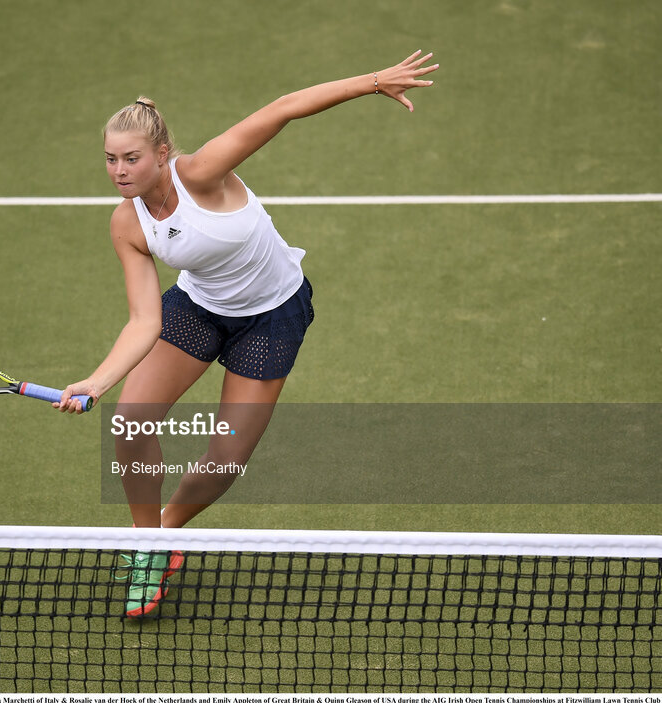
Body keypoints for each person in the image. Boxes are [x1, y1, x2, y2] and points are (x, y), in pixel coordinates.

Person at [56, 51, 439, 617]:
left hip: (272, 312)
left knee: (228, 456)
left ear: (162, 154)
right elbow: (144, 320)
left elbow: (283, 109)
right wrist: (98, 380)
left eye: (131, 158)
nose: (119, 171)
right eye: (110, 159)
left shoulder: (202, 172)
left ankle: (170, 527)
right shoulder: (126, 222)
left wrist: (374, 81)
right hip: (199, 306)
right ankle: (149, 546)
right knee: (130, 419)